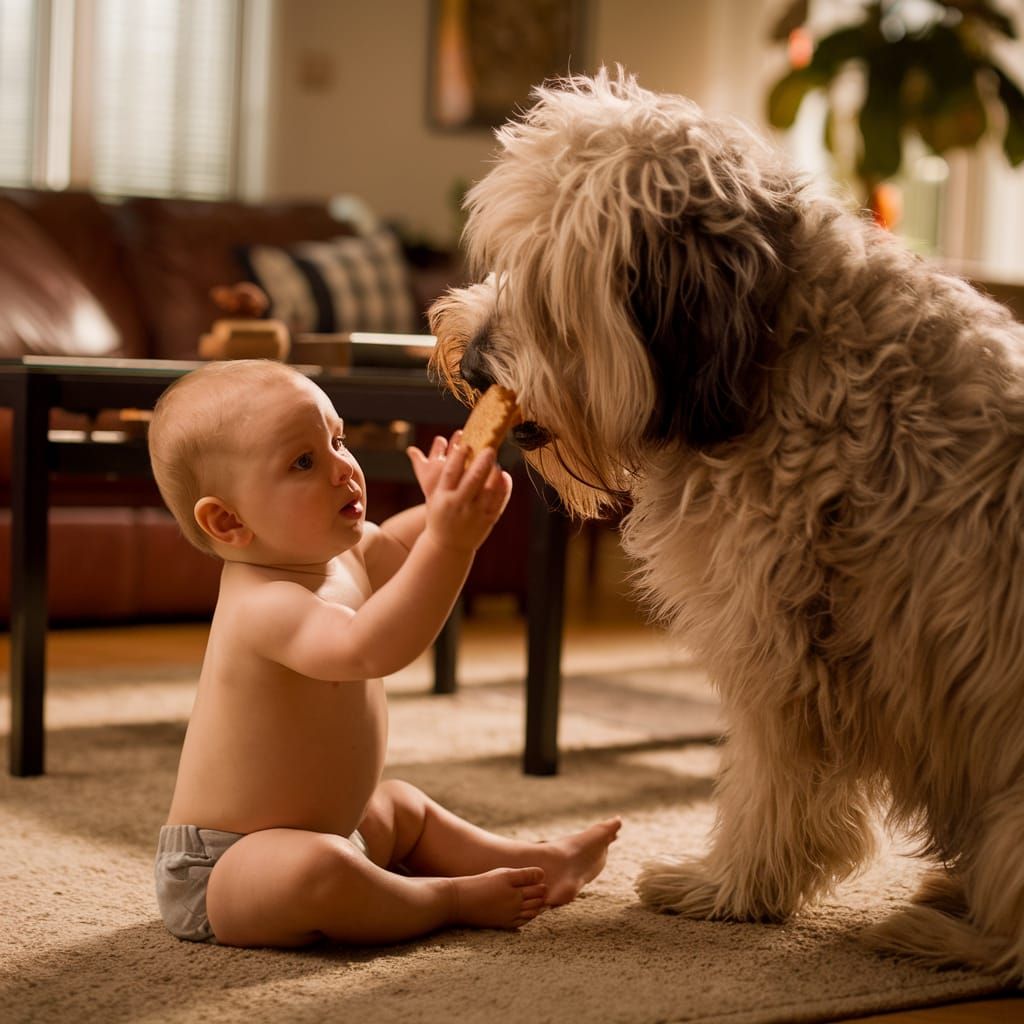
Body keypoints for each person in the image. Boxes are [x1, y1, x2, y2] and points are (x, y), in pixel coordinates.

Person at [147, 359, 620, 947]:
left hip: (336, 832)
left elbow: (398, 545)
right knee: (320, 870)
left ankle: (537, 862)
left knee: (400, 807)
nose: (343, 468)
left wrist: (448, 502)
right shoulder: (261, 606)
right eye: (303, 461)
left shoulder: (345, 552)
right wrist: (451, 541)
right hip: (229, 871)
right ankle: (445, 898)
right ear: (228, 520)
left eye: (337, 440)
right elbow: (368, 647)